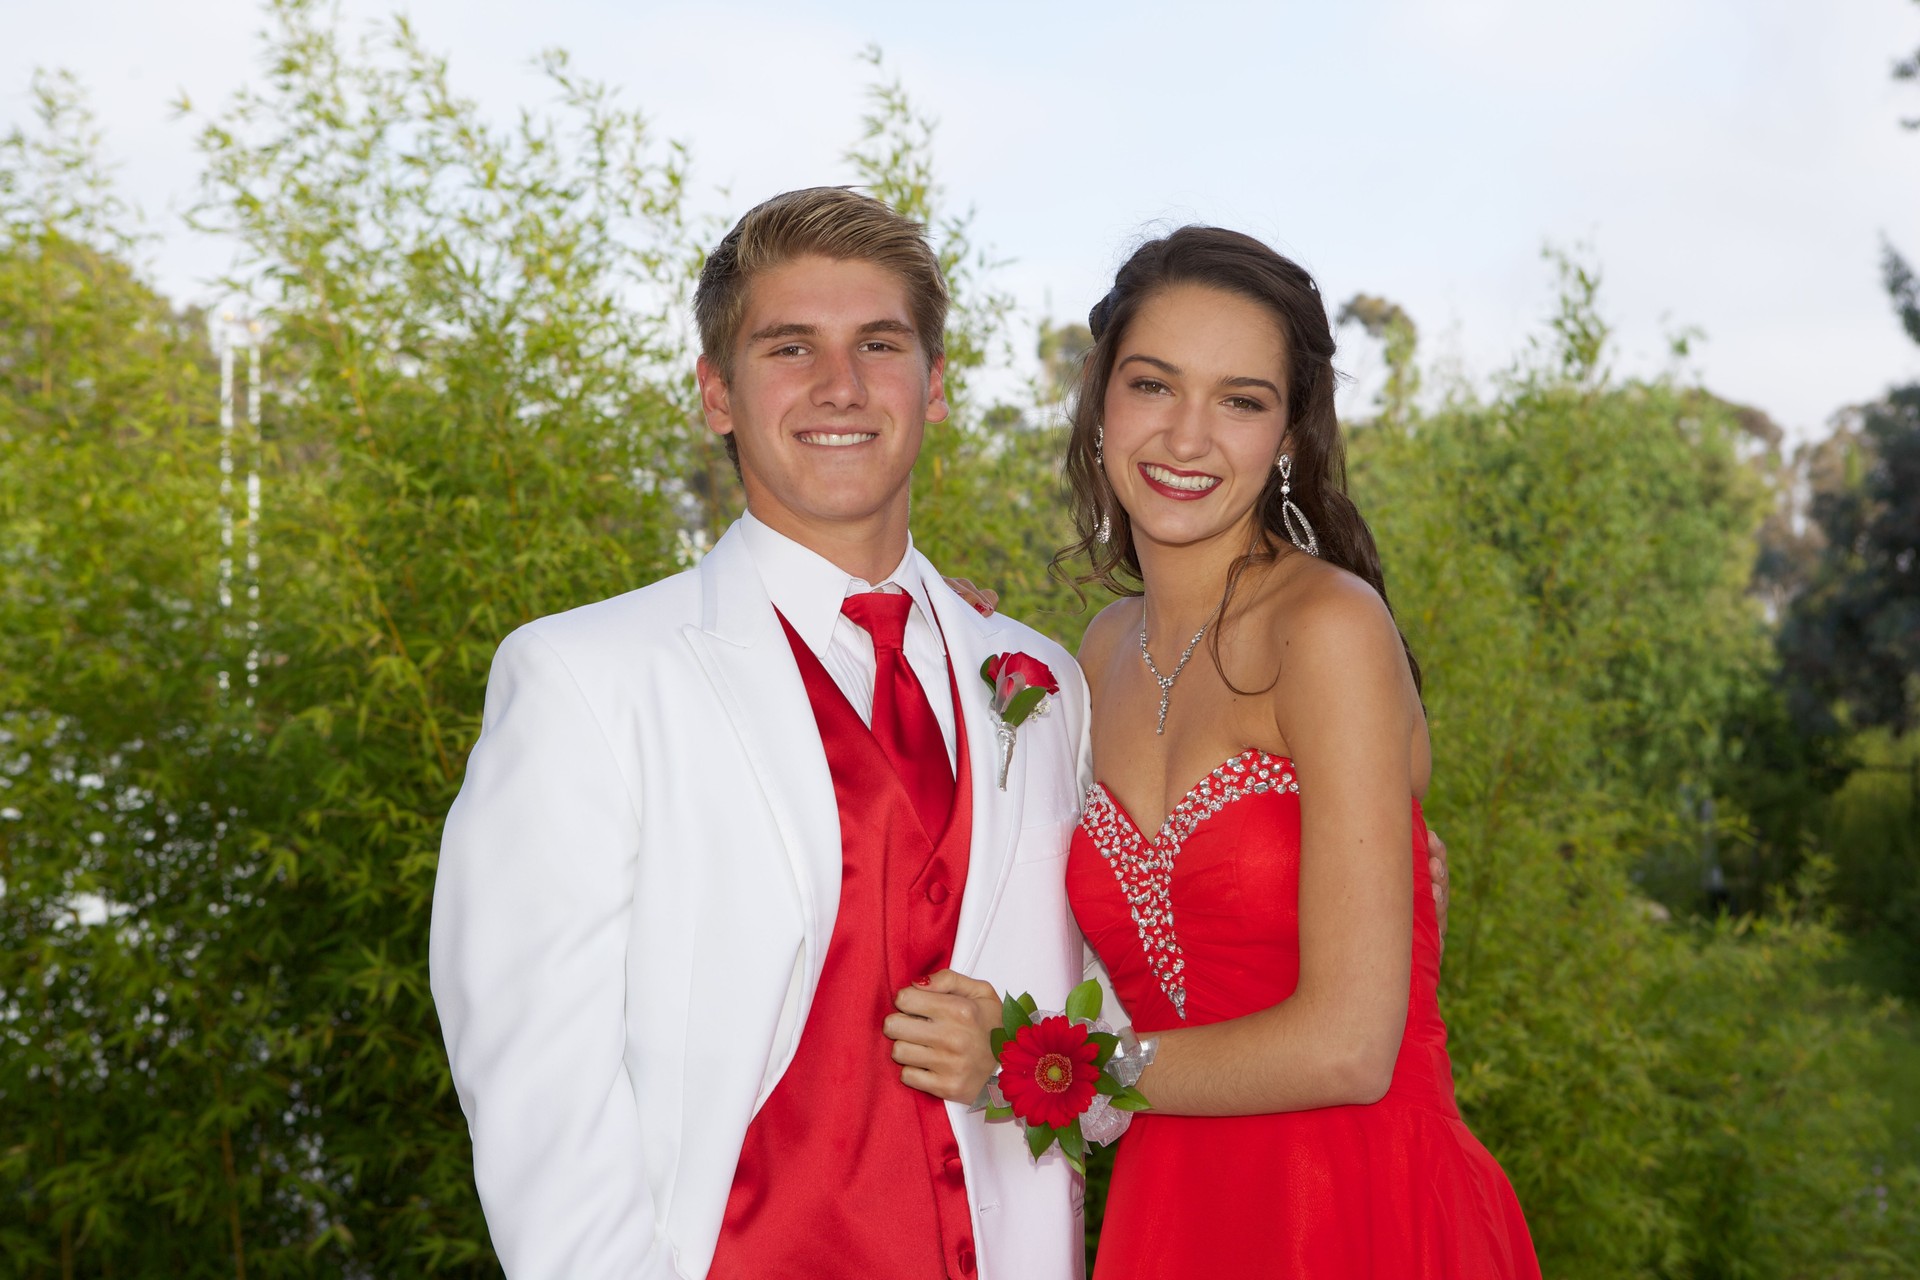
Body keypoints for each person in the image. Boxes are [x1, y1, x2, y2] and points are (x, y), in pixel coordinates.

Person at [429, 186, 1092, 1280]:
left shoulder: (1040, 679)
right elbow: (536, 1089)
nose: (841, 386)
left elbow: (1104, 1044)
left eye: (879, 344)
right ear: (716, 394)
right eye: (791, 347)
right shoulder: (588, 677)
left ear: (933, 387)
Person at [1056, 227, 1539, 1276]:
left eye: (1240, 399)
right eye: (1153, 385)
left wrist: (1055, 1073)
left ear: (1287, 432)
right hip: (1170, 1217)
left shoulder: (1327, 629)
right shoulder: (1095, 653)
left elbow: (1350, 1046)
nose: (1188, 436)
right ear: (1100, 403)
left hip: (1356, 1209)